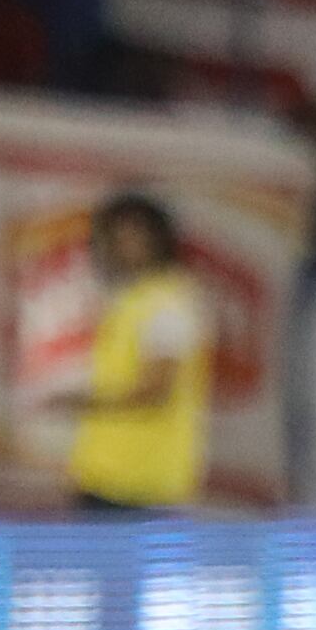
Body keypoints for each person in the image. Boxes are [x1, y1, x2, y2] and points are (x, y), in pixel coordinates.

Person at [49, 193, 208, 514]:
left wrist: (84, 401)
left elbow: (157, 388)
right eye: (115, 236)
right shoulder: (134, 298)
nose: (123, 246)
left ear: (160, 239)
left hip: (143, 486)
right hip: (110, 478)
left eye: (134, 235)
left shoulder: (168, 305)